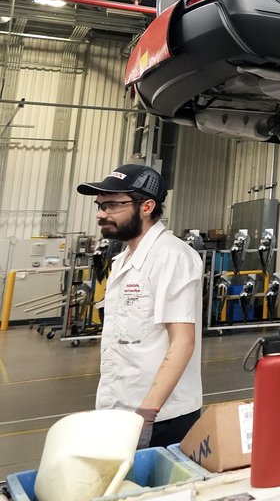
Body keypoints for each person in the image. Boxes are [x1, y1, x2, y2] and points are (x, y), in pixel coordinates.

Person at [79, 164, 203, 448]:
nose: (101, 213)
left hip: (162, 420)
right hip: (121, 411)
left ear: (146, 206)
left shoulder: (172, 256)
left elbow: (182, 341)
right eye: (99, 205)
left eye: (111, 205)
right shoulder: (122, 261)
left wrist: (147, 413)